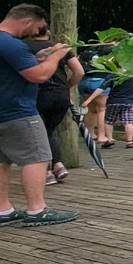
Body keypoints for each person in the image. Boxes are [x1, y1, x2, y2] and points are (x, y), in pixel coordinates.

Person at [0, 3, 78, 227]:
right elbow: (38, 76)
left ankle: (3, 211)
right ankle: (37, 209)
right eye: (39, 27)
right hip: (18, 111)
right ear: (27, 21)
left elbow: (7, 68)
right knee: (38, 157)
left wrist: (41, 56)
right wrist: (56, 56)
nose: (36, 32)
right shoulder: (10, 44)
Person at [21, 26, 83, 184]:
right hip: (61, 95)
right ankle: (58, 164)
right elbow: (79, 71)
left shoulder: (24, 48)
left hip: (38, 95)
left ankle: (48, 169)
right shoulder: (60, 47)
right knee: (48, 131)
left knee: (39, 134)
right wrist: (67, 86)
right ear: (48, 32)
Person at [77, 41, 114, 146]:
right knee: (102, 109)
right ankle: (101, 136)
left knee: (91, 109)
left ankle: (90, 134)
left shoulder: (89, 52)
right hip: (99, 81)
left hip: (84, 81)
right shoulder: (109, 53)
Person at [104, 74, 133, 148]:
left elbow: (101, 87)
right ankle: (130, 142)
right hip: (128, 102)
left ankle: (109, 140)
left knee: (109, 121)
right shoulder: (132, 74)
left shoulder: (111, 75)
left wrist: (89, 99)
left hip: (113, 101)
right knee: (128, 122)